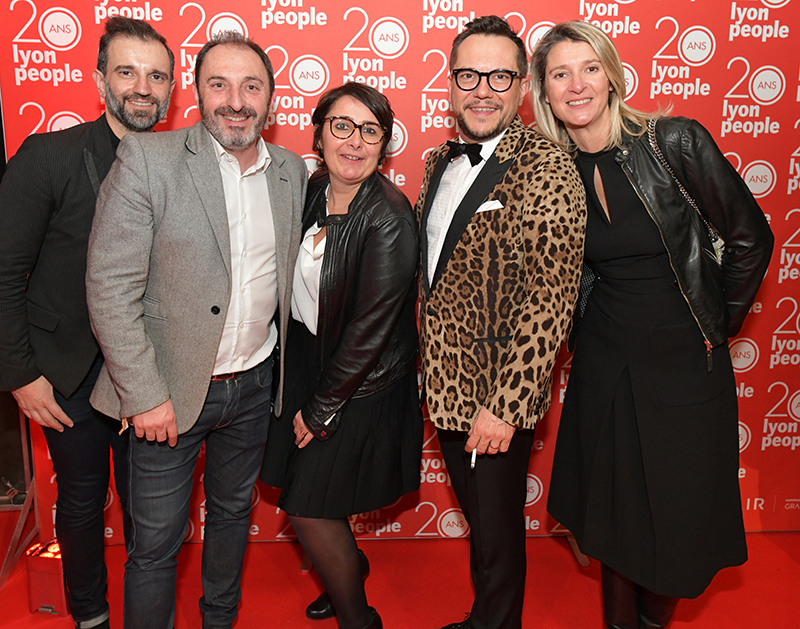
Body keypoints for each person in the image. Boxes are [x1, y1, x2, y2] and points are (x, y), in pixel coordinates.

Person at [530, 21, 774, 629]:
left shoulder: (673, 141)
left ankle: (652, 621)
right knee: (614, 513)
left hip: (684, 361)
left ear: (611, 76)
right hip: (604, 361)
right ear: (545, 92)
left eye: (589, 68)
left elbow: (751, 237)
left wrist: (713, 325)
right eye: (560, 74)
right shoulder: (555, 172)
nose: (577, 85)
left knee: (680, 516)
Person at [85, 32, 306, 629]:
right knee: (155, 546)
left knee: (232, 516)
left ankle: (219, 620)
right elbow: (109, 287)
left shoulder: (290, 171)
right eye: (219, 85)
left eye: (251, 86)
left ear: (271, 99)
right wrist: (143, 395)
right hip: (167, 396)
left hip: (254, 388)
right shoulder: (148, 159)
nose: (236, 101)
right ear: (197, 94)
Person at [0, 17, 174, 629]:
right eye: (127, 72)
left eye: (156, 76)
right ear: (100, 81)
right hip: (66, 372)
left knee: (149, 502)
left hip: (147, 372)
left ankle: (146, 611)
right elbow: (3, 273)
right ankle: (90, 614)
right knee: (79, 499)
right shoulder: (48, 157)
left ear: (171, 89)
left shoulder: (183, 165)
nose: (142, 87)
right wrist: (20, 375)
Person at [416, 16, 586, 629]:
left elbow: (550, 300)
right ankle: (484, 617)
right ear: (451, 82)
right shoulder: (438, 160)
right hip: (443, 384)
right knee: (483, 529)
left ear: (520, 87)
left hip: (495, 393)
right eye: (469, 75)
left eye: (499, 76)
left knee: (497, 533)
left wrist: (508, 406)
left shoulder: (547, 166)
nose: (482, 90)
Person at [261, 82, 422, 629]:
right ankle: (346, 569)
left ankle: (359, 618)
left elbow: (371, 329)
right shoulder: (311, 191)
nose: (355, 141)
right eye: (342, 126)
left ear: (384, 145)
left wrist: (322, 408)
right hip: (310, 358)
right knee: (316, 494)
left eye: (370, 131)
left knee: (307, 505)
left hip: (363, 380)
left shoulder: (389, 216)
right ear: (319, 135)